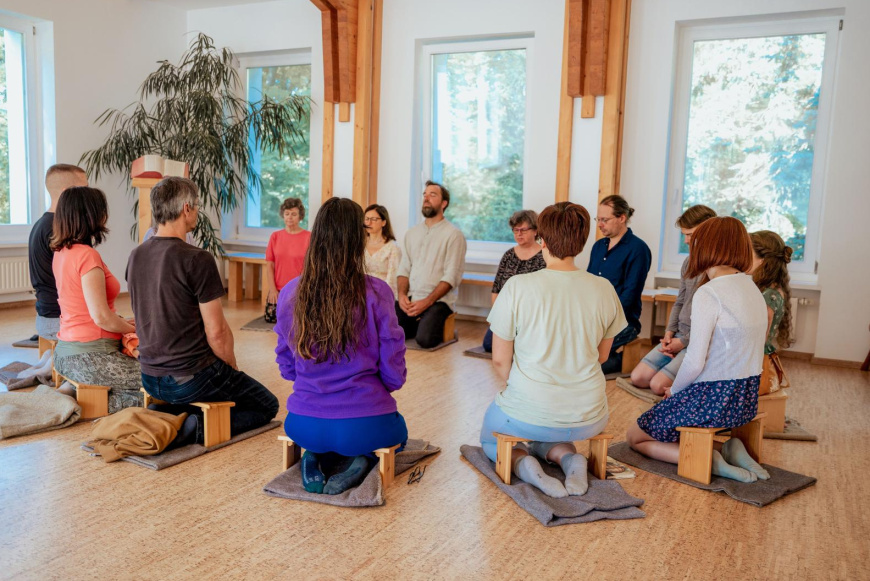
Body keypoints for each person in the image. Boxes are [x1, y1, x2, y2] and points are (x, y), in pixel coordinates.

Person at [479, 202, 627, 498]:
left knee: (493, 439)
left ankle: (528, 470)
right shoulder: (604, 288)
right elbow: (601, 356)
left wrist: (523, 390)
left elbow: (499, 360)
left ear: (542, 239)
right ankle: (570, 459)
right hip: (590, 415)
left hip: (531, 409)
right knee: (550, 429)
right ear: (583, 242)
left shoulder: (518, 286)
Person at [127, 177, 278, 445]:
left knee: (225, 393)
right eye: (196, 206)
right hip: (190, 380)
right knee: (266, 404)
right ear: (186, 209)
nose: (197, 211)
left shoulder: (136, 255)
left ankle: (168, 412)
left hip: (150, 377)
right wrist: (231, 368)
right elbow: (217, 332)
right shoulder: (197, 258)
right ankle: (194, 428)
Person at [275, 197, 408, 495]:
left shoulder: (291, 291)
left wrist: (313, 383)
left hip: (302, 424)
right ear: (356, 239)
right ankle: (360, 459)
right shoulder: (377, 291)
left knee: (324, 435)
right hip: (366, 423)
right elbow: (394, 372)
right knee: (400, 437)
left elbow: (286, 365)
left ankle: (312, 456)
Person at [626, 217, 769, 483]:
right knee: (671, 404)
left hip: (713, 400)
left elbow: (694, 361)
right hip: (744, 399)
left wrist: (676, 392)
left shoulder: (710, 293)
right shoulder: (752, 287)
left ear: (705, 247)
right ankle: (730, 449)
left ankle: (709, 459)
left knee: (635, 436)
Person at [51, 186, 142, 413]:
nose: (106, 215)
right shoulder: (87, 256)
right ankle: (82, 402)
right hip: (91, 356)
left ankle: (76, 390)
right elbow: (101, 317)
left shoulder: (61, 252)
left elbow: (85, 308)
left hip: (67, 353)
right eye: (102, 210)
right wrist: (129, 326)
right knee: (165, 382)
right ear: (91, 215)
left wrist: (123, 322)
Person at [630, 205, 717, 394]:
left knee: (657, 386)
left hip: (698, 342)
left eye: (691, 235)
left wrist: (683, 342)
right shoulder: (688, 262)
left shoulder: (718, 268)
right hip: (679, 336)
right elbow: (680, 300)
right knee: (638, 378)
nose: (686, 240)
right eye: (684, 235)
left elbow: (713, 321)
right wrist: (669, 332)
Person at [396, 180, 467, 348]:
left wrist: (427, 302)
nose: (426, 198)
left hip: (438, 302)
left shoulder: (454, 235)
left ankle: (425, 323)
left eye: (432, 195)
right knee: (389, 333)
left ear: (444, 203)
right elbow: (404, 269)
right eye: (424, 195)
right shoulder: (411, 234)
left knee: (425, 340)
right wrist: (401, 296)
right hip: (413, 298)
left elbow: (451, 277)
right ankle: (416, 322)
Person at [586, 195, 651, 374]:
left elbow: (629, 296)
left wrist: (601, 322)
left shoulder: (638, 249)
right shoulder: (598, 247)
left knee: (585, 362)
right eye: (598, 219)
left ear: (622, 218)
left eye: (604, 220)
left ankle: (618, 361)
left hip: (622, 322)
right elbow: (588, 284)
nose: (599, 224)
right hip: (594, 319)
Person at [29, 164, 88, 341]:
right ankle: (54, 360)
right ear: (66, 193)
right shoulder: (61, 229)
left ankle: (49, 360)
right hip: (60, 319)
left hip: (46, 315)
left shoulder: (42, 223)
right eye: (84, 190)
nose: (88, 195)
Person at [482, 210, 546, 353]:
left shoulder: (544, 256)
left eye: (523, 230)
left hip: (531, 317)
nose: (518, 234)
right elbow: (496, 289)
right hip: (506, 315)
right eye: (515, 230)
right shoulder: (508, 255)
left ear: (535, 231)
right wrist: (497, 315)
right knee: (488, 345)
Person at [749, 230, 794, 393]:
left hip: (758, 365)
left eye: (748, 253)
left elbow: (760, 338)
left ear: (762, 260)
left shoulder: (768, 295)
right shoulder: (773, 289)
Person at [265, 197, 311, 304]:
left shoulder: (309, 237)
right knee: (271, 319)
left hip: (300, 289)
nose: (290, 217)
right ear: (283, 215)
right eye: (287, 214)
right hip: (279, 289)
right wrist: (272, 290)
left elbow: (310, 265)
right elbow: (269, 265)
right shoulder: (275, 236)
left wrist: (301, 289)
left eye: (294, 214)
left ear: (300, 217)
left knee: (298, 320)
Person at [363, 204, 402, 298]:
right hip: (361, 293)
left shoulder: (392, 247)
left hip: (382, 296)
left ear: (384, 222)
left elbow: (392, 280)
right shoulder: (359, 244)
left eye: (373, 219)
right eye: (366, 219)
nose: (369, 223)